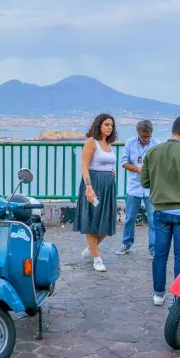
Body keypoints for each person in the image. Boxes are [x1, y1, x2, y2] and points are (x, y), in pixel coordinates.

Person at [141, 115, 180, 306]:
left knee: (160, 254)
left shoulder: (152, 152)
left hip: (160, 211)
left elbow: (144, 181)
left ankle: (158, 294)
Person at [73, 113, 118, 272]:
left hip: (108, 186)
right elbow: (84, 166)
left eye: (111, 125)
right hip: (94, 184)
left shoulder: (108, 143)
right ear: (99, 125)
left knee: (106, 221)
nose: (109, 127)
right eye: (106, 124)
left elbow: (107, 164)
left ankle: (91, 249)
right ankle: (97, 259)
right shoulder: (91, 142)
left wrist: (112, 173)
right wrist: (89, 187)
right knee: (92, 221)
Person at [116, 120, 159, 257]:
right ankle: (126, 244)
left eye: (148, 136)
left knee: (153, 220)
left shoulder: (157, 145)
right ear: (138, 133)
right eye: (143, 136)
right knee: (129, 218)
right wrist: (139, 170)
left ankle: (153, 249)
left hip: (151, 188)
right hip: (134, 187)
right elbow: (124, 162)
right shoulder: (130, 143)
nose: (145, 139)